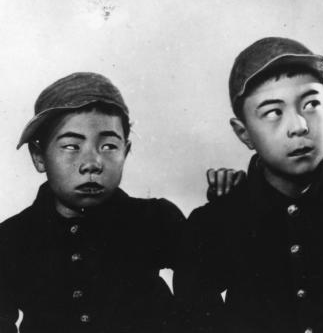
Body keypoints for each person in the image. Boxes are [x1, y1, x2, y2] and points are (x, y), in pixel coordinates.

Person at [175, 37, 323, 333]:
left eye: (311, 104)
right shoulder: (217, 219)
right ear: (243, 133)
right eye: (273, 112)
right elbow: (195, 316)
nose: (299, 126)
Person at [0, 72, 239, 333]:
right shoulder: (12, 238)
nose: (92, 163)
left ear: (125, 151)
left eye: (108, 146)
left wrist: (224, 209)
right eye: (71, 146)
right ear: (39, 156)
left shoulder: (154, 218)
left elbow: (207, 290)